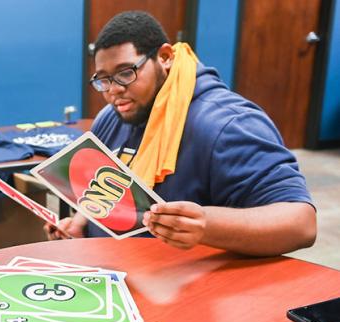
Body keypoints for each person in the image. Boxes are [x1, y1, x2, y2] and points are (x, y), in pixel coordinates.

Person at [45, 11, 316, 256]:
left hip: (190, 293)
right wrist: (81, 223)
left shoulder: (227, 125)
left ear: (164, 57)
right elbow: (104, 195)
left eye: (125, 73)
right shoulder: (111, 116)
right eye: (103, 79)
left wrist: (207, 225)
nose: (113, 90)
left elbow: (300, 223)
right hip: (114, 277)